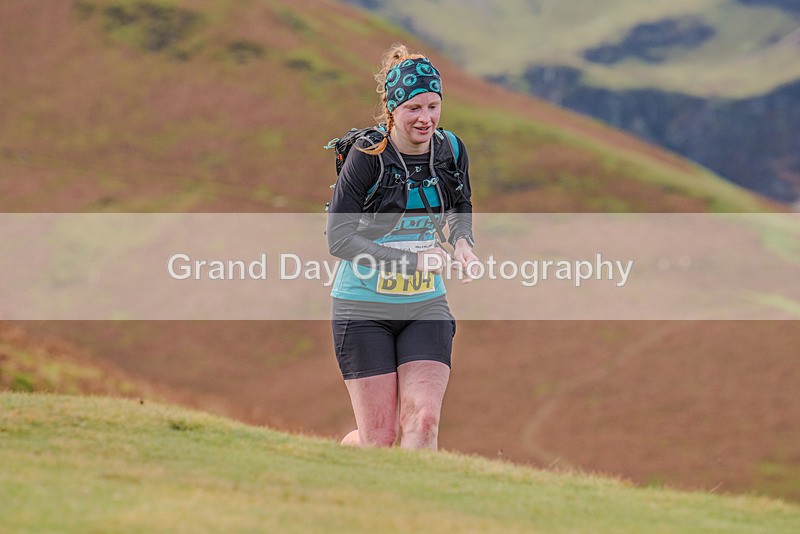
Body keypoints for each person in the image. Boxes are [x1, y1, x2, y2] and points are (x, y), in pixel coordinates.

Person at [326, 44, 478, 450]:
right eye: (414, 108)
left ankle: (417, 513)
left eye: (433, 106)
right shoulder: (368, 157)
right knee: (379, 441)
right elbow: (338, 239)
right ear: (392, 108)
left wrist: (463, 242)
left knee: (423, 421)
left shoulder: (451, 150)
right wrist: (410, 260)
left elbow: (460, 201)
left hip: (425, 306)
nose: (425, 118)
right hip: (363, 309)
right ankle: (343, 460)